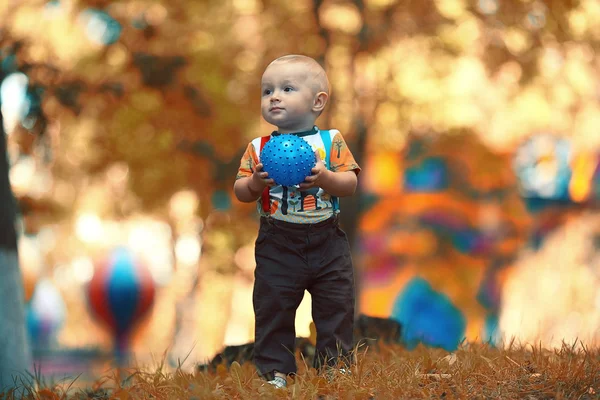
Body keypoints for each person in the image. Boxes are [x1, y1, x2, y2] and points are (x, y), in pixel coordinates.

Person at [234, 54, 361, 389]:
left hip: (327, 240)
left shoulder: (330, 141)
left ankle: (335, 368)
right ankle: (274, 371)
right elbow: (241, 191)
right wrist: (257, 183)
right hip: (278, 242)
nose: (274, 96)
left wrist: (324, 178)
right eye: (267, 91)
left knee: (336, 304)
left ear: (318, 101)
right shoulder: (258, 147)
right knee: (273, 305)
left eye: (286, 88)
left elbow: (350, 184)